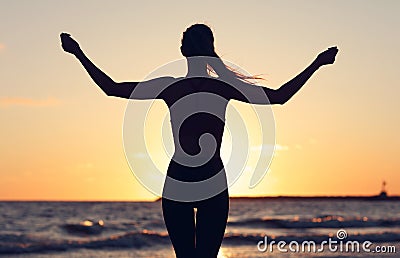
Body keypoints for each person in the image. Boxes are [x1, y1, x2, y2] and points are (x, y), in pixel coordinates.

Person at [60, 23, 338, 258]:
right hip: (212, 178)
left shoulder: (172, 86)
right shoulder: (222, 86)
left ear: (182, 51)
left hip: (180, 177)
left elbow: (111, 88)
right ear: (211, 51)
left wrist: (78, 54)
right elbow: (279, 96)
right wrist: (317, 63)